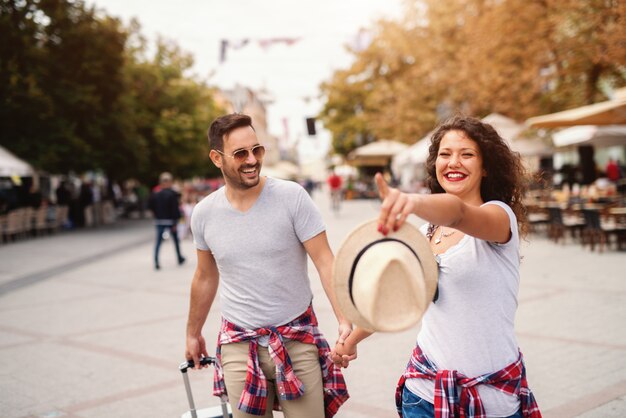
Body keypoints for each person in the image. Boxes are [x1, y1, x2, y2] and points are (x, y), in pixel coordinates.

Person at [333, 115, 542, 418]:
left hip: (491, 398)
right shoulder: (423, 234)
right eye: (445, 154)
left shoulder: (498, 217)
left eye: (466, 154)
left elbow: (457, 212)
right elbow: (396, 300)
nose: (453, 162)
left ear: (485, 168)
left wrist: (411, 201)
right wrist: (350, 341)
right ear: (435, 165)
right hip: (424, 395)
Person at [185, 113, 351, 418]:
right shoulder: (204, 213)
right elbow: (205, 277)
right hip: (238, 343)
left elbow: (326, 261)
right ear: (216, 158)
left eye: (256, 150)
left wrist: (344, 319)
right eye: (240, 153)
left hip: (296, 336)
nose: (252, 160)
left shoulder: (292, 198)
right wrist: (192, 333)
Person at [148, 172, 185, 270]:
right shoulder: (171, 194)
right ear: (169, 182)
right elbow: (175, 209)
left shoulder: (155, 194)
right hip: (170, 221)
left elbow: (150, 206)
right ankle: (179, 258)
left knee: (158, 242)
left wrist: (156, 215)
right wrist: (176, 221)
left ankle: (156, 261)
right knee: (175, 241)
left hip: (159, 221)